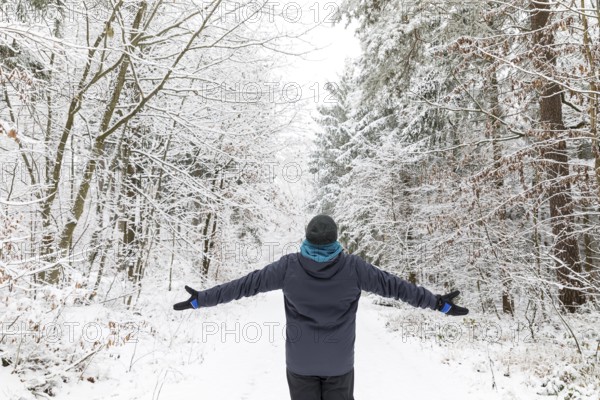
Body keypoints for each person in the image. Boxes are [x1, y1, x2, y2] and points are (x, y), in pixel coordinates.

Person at [173, 214, 469, 400]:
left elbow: (243, 285)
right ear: (335, 239)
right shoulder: (354, 268)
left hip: (300, 365)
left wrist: (202, 298)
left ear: (307, 238)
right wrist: (438, 304)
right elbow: (398, 288)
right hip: (339, 365)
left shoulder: (288, 267)